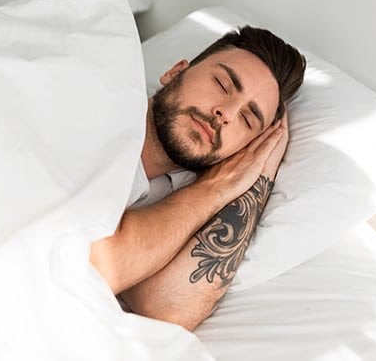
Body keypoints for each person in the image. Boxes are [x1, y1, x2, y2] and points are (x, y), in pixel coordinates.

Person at [90, 25, 307, 330]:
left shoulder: (185, 199)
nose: (227, 113)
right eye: (222, 84)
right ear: (175, 71)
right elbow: (92, 264)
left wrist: (249, 176)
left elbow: (166, 307)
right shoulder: (93, 107)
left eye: (247, 119)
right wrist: (214, 188)